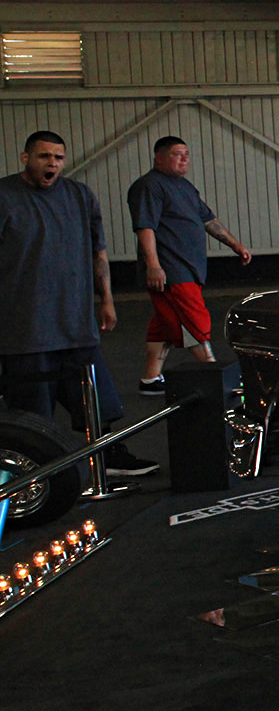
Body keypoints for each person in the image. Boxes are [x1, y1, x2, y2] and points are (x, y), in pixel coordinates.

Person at [0, 131, 158, 477]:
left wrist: (107, 301)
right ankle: (34, 473)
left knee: (96, 400)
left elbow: (98, 251)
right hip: (24, 325)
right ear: (25, 158)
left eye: (58, 157)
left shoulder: (79, 195)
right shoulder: (4, 197)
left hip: (75, 322)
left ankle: (107, 455)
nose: (52, 164)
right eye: (43, 156)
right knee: (32, 411)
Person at [127, 135, 249, 394]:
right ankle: (216, 377)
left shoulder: (185, 188)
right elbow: (145, 227)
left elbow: (208, 221)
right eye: (177, 153)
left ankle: (150, 379)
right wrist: (154, 265)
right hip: (172, 269)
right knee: (194, 321)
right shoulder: (149, 186)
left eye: (187, 153)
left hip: (190, 268)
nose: (184, 158)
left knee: (165, 323)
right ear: (159, 158)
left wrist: (235, 245)